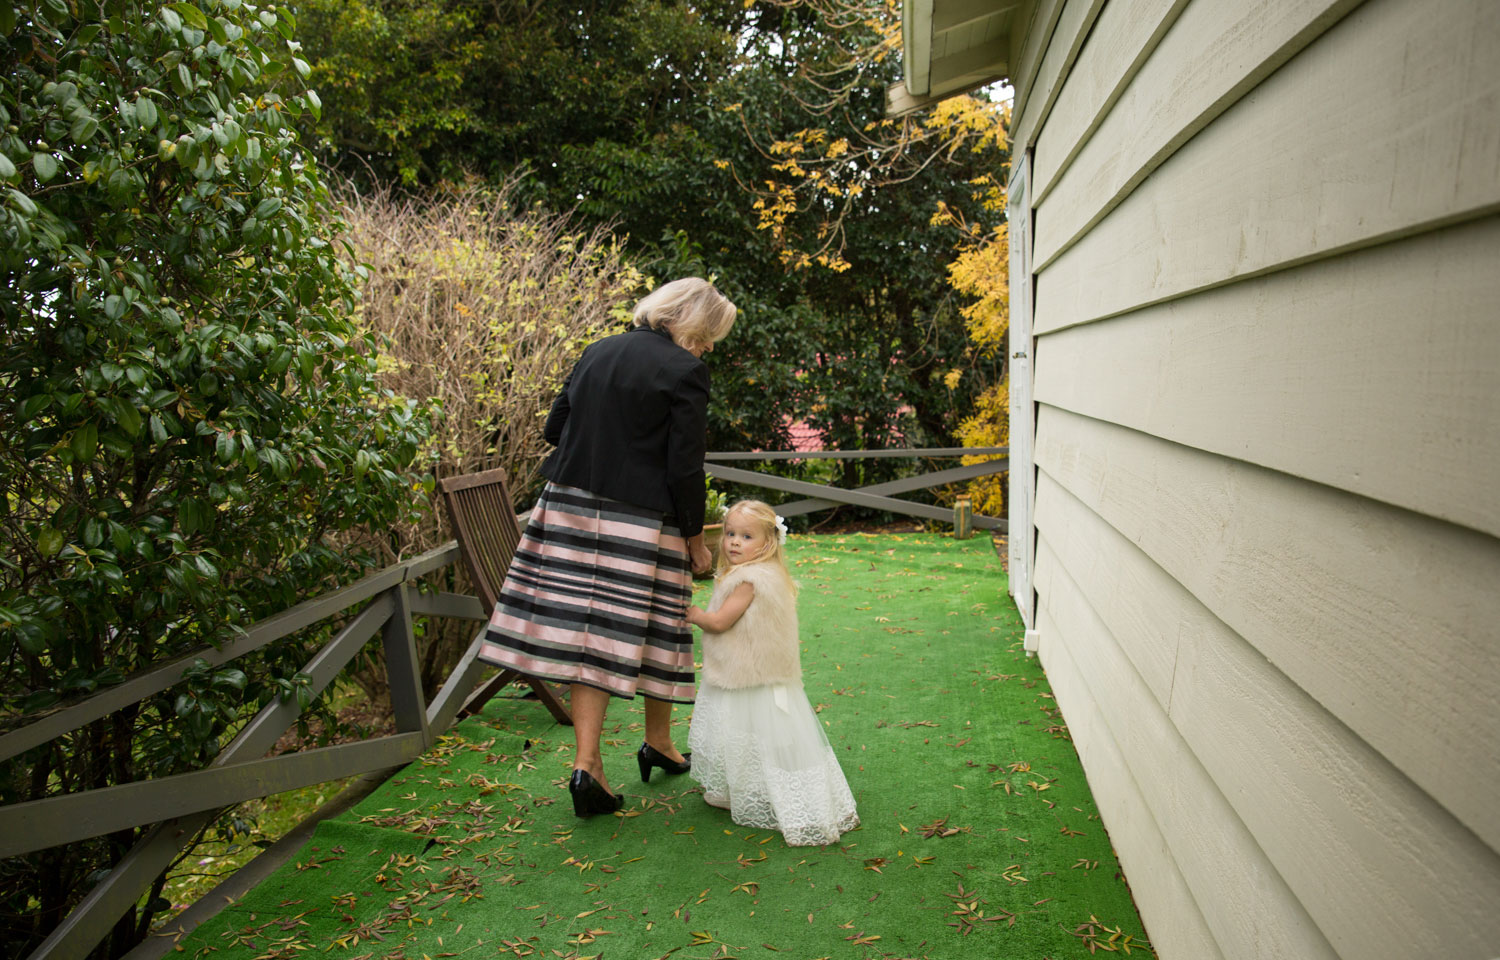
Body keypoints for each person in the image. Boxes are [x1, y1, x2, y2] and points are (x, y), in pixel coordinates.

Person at [478, 277, 737, 818]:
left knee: (585, 636)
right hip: (642, 521)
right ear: (688, 321)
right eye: (710, 334)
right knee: (663, 619)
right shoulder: (686, 372)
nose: (710, 346)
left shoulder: (597, 351)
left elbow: (554, 429)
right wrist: (696, 540)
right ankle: (653, 743)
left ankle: (589, 763)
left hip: (568, 507)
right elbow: (684, 467)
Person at [686, 500, 860, 846]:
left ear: (767, 543)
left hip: (749, 674)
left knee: (749, 732)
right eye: (731, 533)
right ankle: (743, 787)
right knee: (750, 733)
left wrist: (692, 613)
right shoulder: (769, 574)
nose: (734, 542)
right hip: (759, 670)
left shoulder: (749, 580)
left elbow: (720, 622)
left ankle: (774, 796)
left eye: (746, 536)